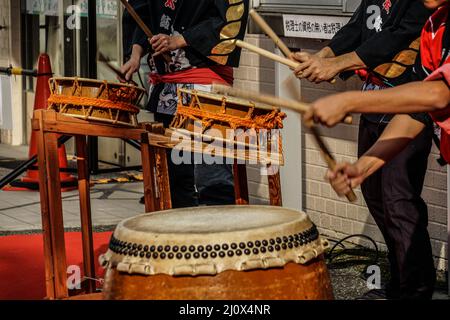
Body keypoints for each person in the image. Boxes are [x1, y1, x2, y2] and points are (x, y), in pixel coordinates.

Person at [305, 0, 450, 300]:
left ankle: (415, 286)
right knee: (377, 194)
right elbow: (417, 114)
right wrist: (363, 168)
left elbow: (438, 94)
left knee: (399, 198)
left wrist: (348, 102)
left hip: (396, 90)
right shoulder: (435, 27)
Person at [121, 0, 249, 208]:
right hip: (167, 90)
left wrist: (180, 40)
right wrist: (135, 55)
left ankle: (220, 237)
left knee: (212, 174)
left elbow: (230, 19)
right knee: (175, 177)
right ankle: (184, 238)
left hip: (206, 87)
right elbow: (141, 12)